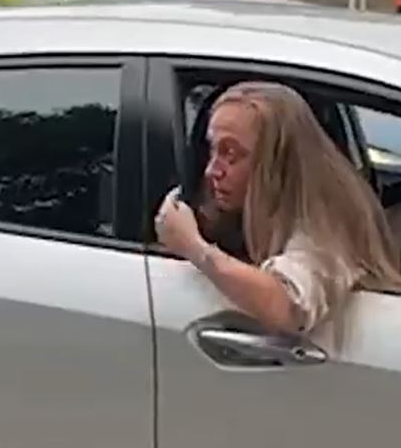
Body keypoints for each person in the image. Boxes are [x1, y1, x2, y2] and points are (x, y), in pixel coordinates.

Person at [155, 81, 401, 336]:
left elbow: (286, 305)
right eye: (213, 150)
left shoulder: (326, 226)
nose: (212, 171)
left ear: (278, 164)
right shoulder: (255, 210)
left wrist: (192, 246)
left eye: (231, 154)